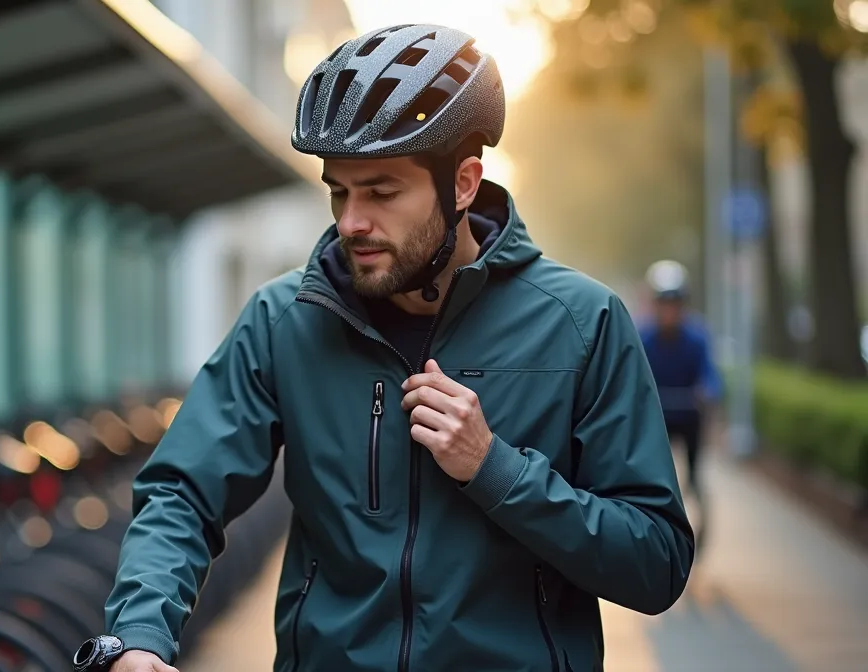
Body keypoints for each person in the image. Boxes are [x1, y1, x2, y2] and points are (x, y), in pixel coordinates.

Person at [72, 24, 694, 672]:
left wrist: (496, 468)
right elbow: (182, 492)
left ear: (463, 183)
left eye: (381, 191)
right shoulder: (284, 321)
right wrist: (140, 633)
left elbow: (655, 563)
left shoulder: (582, 323)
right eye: (339, 191)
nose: (351, 222)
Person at [638, 260, 722, 500]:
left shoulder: (698, 337)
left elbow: (711, 375)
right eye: (664, 303)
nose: (670, 311)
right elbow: (630, 375)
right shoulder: (642, 338)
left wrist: (708, 391)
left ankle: (694, 486)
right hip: (656, 419)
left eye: (675, 303)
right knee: (649, 474)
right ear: (654, 305)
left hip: (688, 416)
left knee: (694, 475)